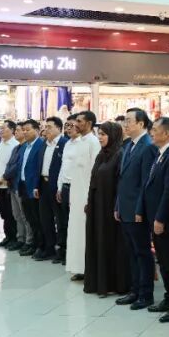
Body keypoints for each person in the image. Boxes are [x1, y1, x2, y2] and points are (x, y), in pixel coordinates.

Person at [137, 116, 169, 318]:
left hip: (165, 220)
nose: (151, 133)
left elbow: (168, 190)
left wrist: (160, 218)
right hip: (154, 215)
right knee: (164, 262)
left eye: (155, 130)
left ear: (166, 133)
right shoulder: (160, 153)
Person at [116, 108, 158, 309]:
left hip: (137, 210)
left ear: (141, 124)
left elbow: (145, 183)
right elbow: (123, 179)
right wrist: (118, 205)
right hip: (125, 207)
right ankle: (134, 290)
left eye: (128, 121)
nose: (125, 124)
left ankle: (145, 293)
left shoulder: (148, 146)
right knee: (131, 252)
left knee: (142, 252)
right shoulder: (129, 145)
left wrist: (140, 209)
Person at [84, 122, 126, 296]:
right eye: (98, 134)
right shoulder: (101, 155)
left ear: (113, 135)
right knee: (97, 242)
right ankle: (98, 282)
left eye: (103, 134)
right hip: (97, 207)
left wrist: (116, 206)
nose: (100, 137)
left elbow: (120, 185)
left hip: (110, 209)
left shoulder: (119, 154)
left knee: (110, 243)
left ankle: (113, 283)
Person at [62, 111, 101, 276]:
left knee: (85, 233)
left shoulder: (93, 142)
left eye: (79, 121)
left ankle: (88, 269)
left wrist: (89, 198)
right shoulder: (77, 143)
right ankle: (78, 268)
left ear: (89, 123)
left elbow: (95, 173)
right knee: (75, 232)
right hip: (76, 195)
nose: (75, 124)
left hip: (86, 196)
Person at [35, 117, 67, 262]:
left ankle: (62, 249)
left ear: (59, 128)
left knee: (60, 219)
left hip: (57, 186)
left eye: (49, 127)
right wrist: (37, 185)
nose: (46, 129)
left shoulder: (64, 143)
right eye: (45, 127)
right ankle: (49, 247)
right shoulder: (44, 144)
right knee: (45, 218)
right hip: (43, 184)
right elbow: (39, 166)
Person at [16, 120, 45, 256]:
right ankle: (33, 243)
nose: (25, 132)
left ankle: (41, 245)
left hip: (34, 187)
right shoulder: (24, 147)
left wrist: (36, 186)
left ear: (37, 130)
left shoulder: (41, 145)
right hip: (23, 185)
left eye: (28, 129)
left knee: (37, 218)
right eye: (24, 130)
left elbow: (39, 168)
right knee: (29, 217)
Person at [0, 121, 19, 248]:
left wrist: (2, 177)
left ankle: (14, 238)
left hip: (8, 184)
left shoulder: (15, 145)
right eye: (1, 128)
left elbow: (13, 166)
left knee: (12, 213)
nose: (1, 130)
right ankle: (7, 237)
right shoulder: (0, 144)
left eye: (4, 128)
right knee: (4, 213)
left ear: (12, 130)